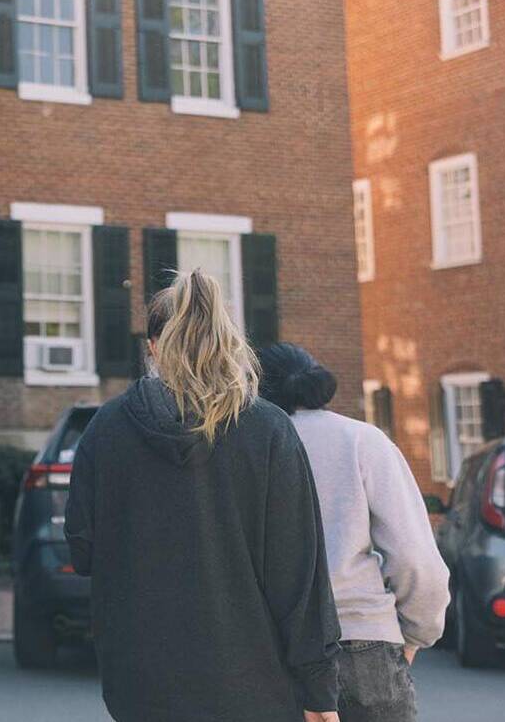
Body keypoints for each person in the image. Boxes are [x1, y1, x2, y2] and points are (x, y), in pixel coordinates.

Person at [64, 270, 342, 722]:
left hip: (140, 683)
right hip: (254, 686)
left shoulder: (106, 429)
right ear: (227, 341)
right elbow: (299, 574)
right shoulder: (267, 429)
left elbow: (83, 551)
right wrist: (319, 690)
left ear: (153, 346)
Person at [260, 343, 449, 722]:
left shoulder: (247, 448)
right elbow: (416, 557)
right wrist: (416, 635)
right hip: (362, 642)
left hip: (269, 652)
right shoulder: (363, 440)